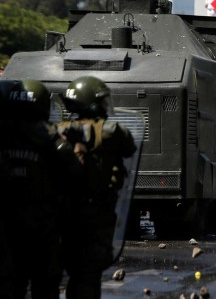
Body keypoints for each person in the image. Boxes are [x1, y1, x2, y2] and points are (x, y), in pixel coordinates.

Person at [58, 76, 137, 299]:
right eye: (102, 102)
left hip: (64, 210)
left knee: (68, 267)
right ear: (91, 103)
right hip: (98, 210)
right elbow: (129, 147)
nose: (105, 106)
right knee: (89, 272)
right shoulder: (111, 131)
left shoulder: (58, 130)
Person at [0, 80, 80, 299]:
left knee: (10, 283)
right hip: (43, 225)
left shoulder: (4, 133)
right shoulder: (51, 137)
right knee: (45, 285)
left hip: (8, 225)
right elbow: (74, 173)